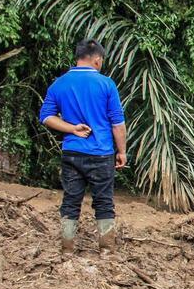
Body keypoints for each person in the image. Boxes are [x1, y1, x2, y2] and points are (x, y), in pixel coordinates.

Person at [39, 38, 128, 256]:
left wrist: (71, 129)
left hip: (72, 152)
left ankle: (67, 249)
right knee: (104, 202)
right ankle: (106, 250)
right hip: (101, 153)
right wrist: (122, 152)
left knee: (71, 200)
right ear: (97, 60)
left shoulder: (59, 84)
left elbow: (46, 117)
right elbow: (118, 124)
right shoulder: (106, 84)